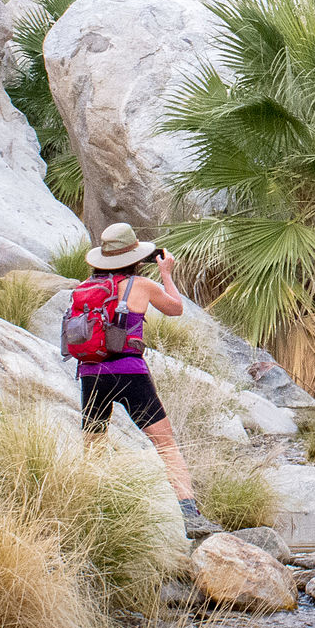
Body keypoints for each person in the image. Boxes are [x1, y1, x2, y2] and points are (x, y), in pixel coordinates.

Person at [77, 222, 221, 539]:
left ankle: (89, 517)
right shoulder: (141, 285)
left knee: (93, 448)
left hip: (91, 373)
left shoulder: (85, 288)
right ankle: (190, 517)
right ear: (136, 258)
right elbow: (176, 308)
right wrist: (167, 273)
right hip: (129, 372)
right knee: (165, 444)